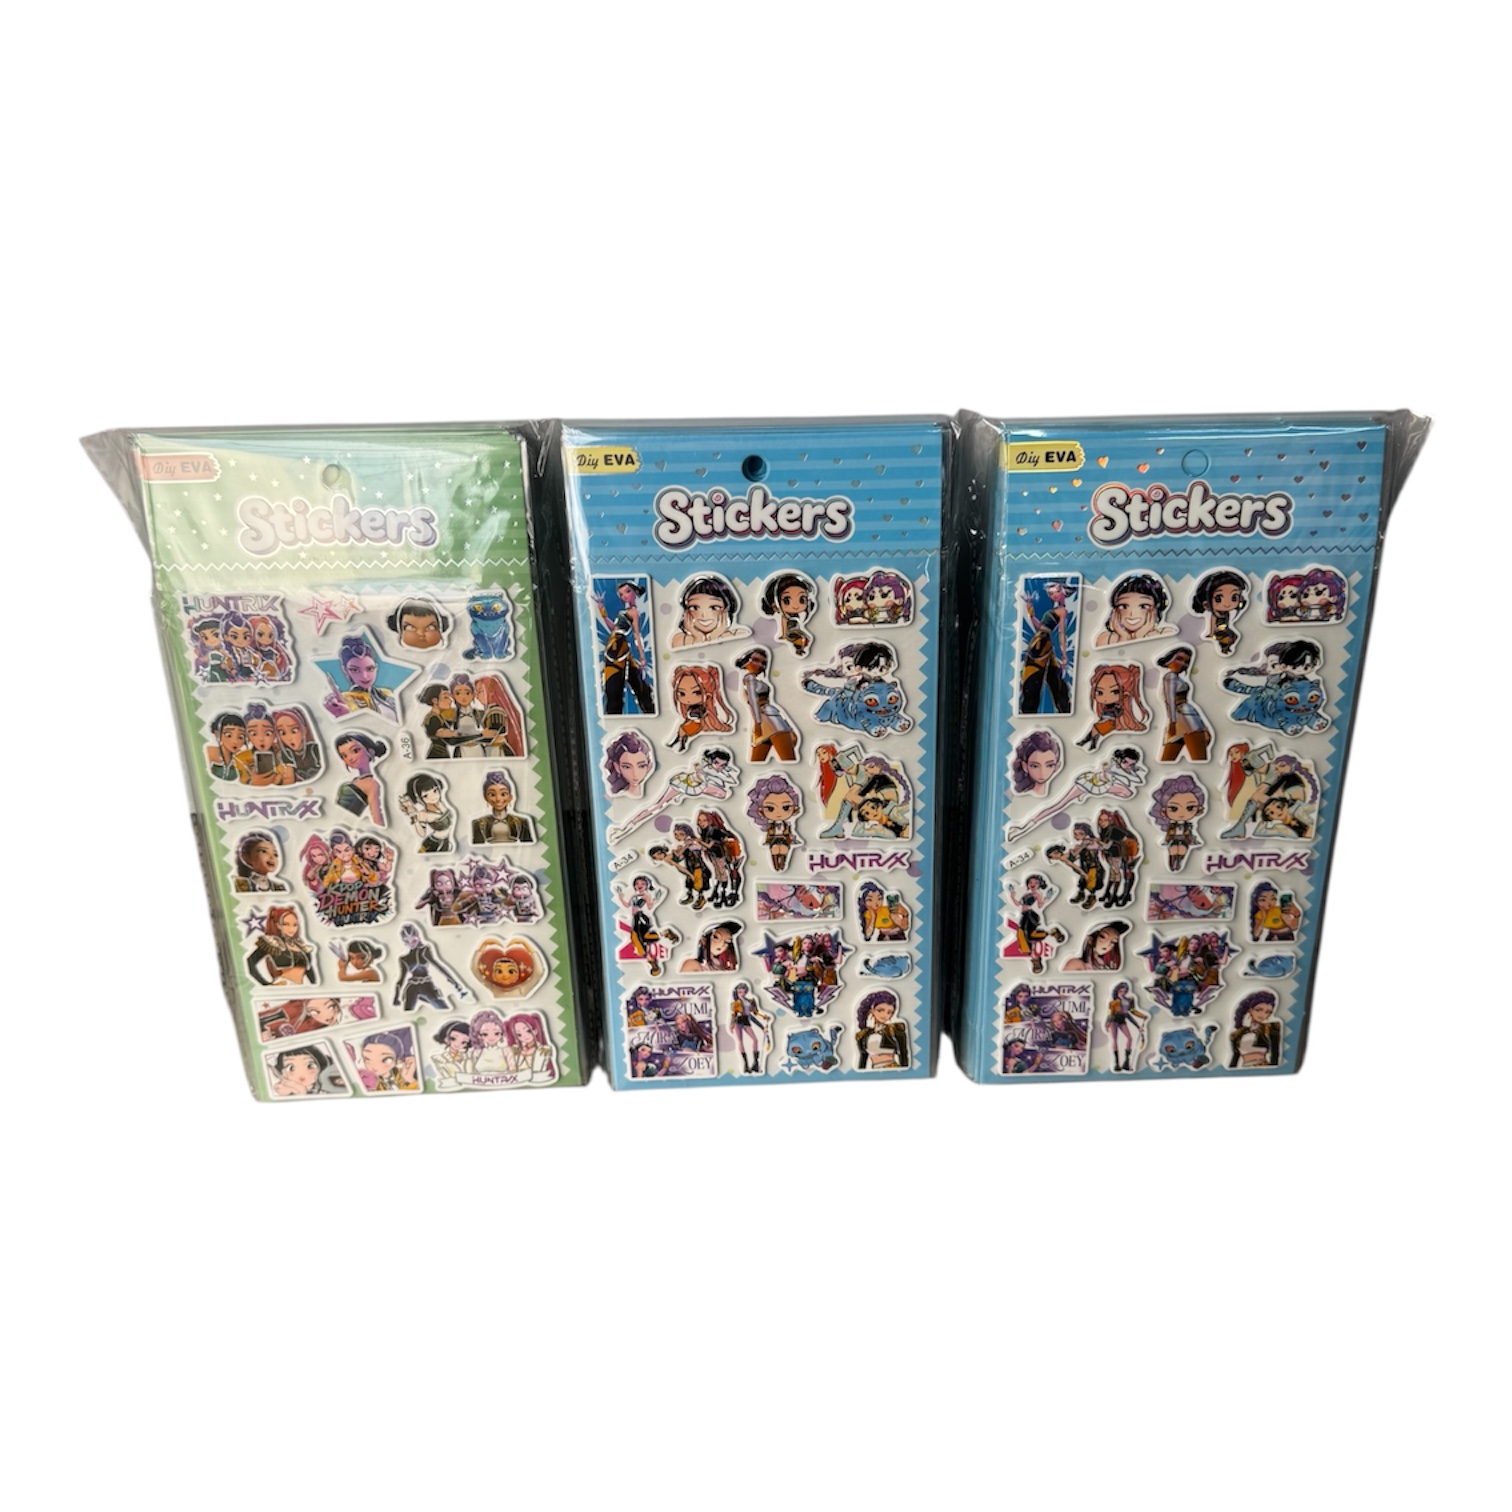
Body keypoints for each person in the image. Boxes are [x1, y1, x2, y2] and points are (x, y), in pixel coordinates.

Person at [593, 580, 655, 715]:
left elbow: (637, 634)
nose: (624, 596)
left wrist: (642, 657)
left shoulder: (634, 612)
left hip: (620, 645)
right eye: (621, 594)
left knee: (630, 678)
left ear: (634, 592)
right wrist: (602, 610)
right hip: (614, 644)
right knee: (618, 681)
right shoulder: (624, 612)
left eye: (627, 592)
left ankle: (647, 706)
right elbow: (613, 628)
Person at [1019, 578, 1073, 714]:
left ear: (1063, 591)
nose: (1053, 595)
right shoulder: (1055, 610)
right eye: (1051, 593)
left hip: (1043, 643)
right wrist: (1030, 610)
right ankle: (1030, 708)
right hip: (1040, 641)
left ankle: (1063, 708)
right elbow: (1040, 627)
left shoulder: (1062, 611)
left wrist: (1064, 655)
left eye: (1056, 592)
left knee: (1052, 676)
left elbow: (1061, 633)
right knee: (1040, 675)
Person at [734, 647, 798, 762]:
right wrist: (757, 723)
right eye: (755, 660)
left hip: (770, 718)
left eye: (763, 663)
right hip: (766, 720)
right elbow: (753, 701)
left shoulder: (756, 681)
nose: (760, 665)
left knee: (760, 762)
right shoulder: (749, 678)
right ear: (746, 661)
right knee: (786, 760)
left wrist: (789, 728)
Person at [393, 923, 470, 1013]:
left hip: (426, 985)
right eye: (407, 942)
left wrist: (455, 984)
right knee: (408, 1012)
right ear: (404, 942)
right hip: (412, 987)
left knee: (444, 1009)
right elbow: (401, 980)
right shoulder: (404, 959)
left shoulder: (424, 951)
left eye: (413, 940)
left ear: (418, 937)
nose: (411, 944)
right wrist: (396, 997)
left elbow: (439, 966)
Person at [1156, 645, 1212, 763]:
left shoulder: (1176, 678)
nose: (1183, 664)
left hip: (1187, 717)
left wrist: (1204, 727)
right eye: (1179, 659)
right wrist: (1172, 722)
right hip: (1183, 719)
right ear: (1170, 659)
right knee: (1197, 759)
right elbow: (1170, 700)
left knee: (1171, 760)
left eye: (1186, 662)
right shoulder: (1170, 677)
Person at [1076, 664, 1150, 750]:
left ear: (1125, 694)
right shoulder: (1105, 706)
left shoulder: (1117, 707)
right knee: (1095, 728)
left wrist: (1115, 712)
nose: (1105, 697)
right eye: (1100, 692)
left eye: (1115, 691)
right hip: (1104, 722)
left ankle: (1090, 742)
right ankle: (1090, 742)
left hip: (1110, 724)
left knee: (1096, 728)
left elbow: (1117, 714)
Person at [1148, 774, 1206, 874]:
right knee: (1173, 849)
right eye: (1174, 808)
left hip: (1184, 839)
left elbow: (1190, 834)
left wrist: (1193, 840)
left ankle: (1178, 864)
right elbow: (1169, 834)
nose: (1182, 813)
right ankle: (1172, 864)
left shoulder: (1188, 826)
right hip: (1173, 839)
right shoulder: (1171, 826)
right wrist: (1166, 840)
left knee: (1182, 850)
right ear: (1163, 809)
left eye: (1190, 808)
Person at [246, 906, 317, 987]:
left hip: (300, 985)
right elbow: (250, 960)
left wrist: (315, 986)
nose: (291, 928)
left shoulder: (300, 946)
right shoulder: (274, 943)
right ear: (278, 925)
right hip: (284, 984)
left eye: (295, 925)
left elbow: (309, 971)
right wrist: (266, 984)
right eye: (286, 924)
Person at [1095, 572, 1171, 645]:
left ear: (1156, 608)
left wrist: (1140, 635)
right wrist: (1123, 637)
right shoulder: (1106, 639)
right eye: (1123, 606)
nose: (1132, 614)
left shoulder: (1165, 633)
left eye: (1143, 606)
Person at [670, 575, 743, 646]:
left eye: (714, 607)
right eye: (694, 607)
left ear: (727, 609)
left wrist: (714, 636)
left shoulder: (737, 634)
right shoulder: (680, 640)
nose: (703, 615)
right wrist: (698, 637)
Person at [334, 732, 387, 824]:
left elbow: (376, 817)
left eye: (355, 751)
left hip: (347, 823)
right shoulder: (357, 780)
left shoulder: (371, 784)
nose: (350, 758)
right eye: (344, 756)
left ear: (370, 751)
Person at [1192, 570, 1248, 656]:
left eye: (1234, 597)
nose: (1227, 604)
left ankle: (1226, 648)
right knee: (1225, 639)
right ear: (1206, 603)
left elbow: (1228, 622)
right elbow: (1212, 623)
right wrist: (1211, 633)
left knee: (1234, 637)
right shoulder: (1215, 614)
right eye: (1218, 598)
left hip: (1225, 629)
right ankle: (1224, 648)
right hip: (1218, 631)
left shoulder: (1227, 613)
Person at [471, 770, 534, 844]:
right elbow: (477, 846)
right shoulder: (479, 824)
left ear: (510, 797)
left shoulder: (521, 823)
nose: (498, 799)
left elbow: (528, 846)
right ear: (485, 797)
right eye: (492, 794)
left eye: (503, 794)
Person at [760, 572, 815, 656]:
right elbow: (784, 625)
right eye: (787, 600)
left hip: (796, 631)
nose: (796, 606)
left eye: (802, 599)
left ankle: (800, 649)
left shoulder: (797, 615)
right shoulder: (785, 616)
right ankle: (799, 649)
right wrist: (784, 635)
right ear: (775, 604)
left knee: (805, 639)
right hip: (790, 633)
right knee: (802, 639)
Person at [399, 771, 454, 852]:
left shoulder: (441, 804)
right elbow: (422, 833)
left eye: (435, 790)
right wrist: (413, 816)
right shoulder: (423, 814)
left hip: (448, 840)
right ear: (418, 799)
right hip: (435, 843)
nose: (433, 796)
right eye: (426, 795)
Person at [856, 990, 909, 1069]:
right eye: (880, 1010)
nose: (884, 1015)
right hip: (874, 1070)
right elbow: (862, 1060)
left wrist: (904, 1072)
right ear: (872, 1010)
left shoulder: (895, 1029)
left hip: (892, 1068)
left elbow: (903, 1054)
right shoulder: (863, 1035)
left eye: (889, 1012)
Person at [1104, 981, 1149, 1074]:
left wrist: (1142, 1016)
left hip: (1122, 1020)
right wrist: (1107, 1023)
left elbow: (1131, 1012)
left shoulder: (1129, 1000)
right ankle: (1116, 1063)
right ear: (1117, 991)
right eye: (1121, 991)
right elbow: (1110, 1014)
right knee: (1114, 1040)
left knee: (1129, 1038)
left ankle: (1126, 1062)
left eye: (1124, 991)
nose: (1123, 993)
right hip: (1114, 1020)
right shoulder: (1113, 1003)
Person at [1230, 991, 1282, 1068]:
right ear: (1250, 1009)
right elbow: (1235, 1058)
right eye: (1258, 1010)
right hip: (1244, 1068)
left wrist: (1273, 1070)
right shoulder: (1238, 1033)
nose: (1263, 1014)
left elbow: (1275, 1054)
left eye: (1267, 1012)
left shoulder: (1271, 1029)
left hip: (1263, 1068)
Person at [269, 1044, 338, 1096]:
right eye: (291, 1068)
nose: (301, 1074)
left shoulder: (326, 1091)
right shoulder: (283, 1091)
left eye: (310, 1066)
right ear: (282, 1072)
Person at [603, 732, 653, 799]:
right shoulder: (614, 797)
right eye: (627, 767)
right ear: (617, 767)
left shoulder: (654, 792)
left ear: (649, 766)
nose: (635, 773)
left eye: (642, 766)